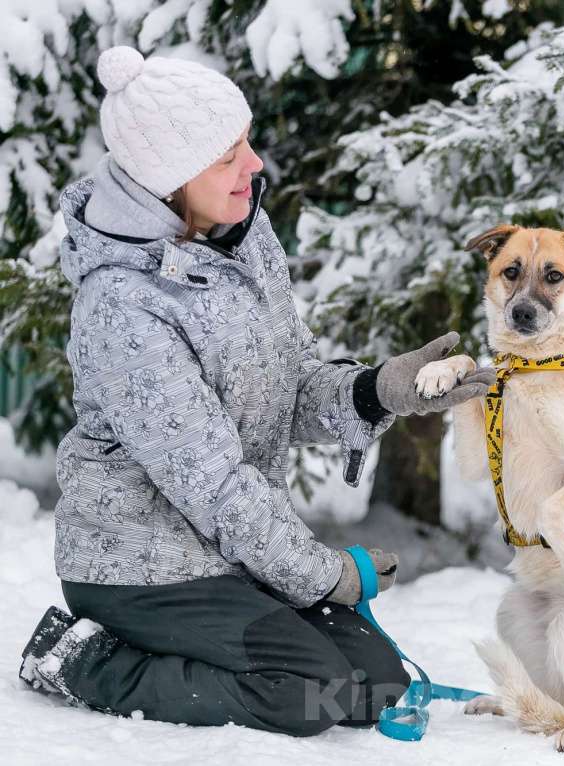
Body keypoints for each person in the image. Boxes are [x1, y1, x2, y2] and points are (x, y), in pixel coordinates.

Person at [18, 46, 495, 736]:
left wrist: (376, 392)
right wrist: (322, 575)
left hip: (226, 552)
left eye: (245, 141)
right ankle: (81, 659)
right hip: (140, 564)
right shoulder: (121, 305)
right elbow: (212, 482)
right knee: (311, 694)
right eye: (226, 155)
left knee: (377, 687)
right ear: (169, 178)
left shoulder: (238, 235)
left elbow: (288, 383)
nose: (254, 164)